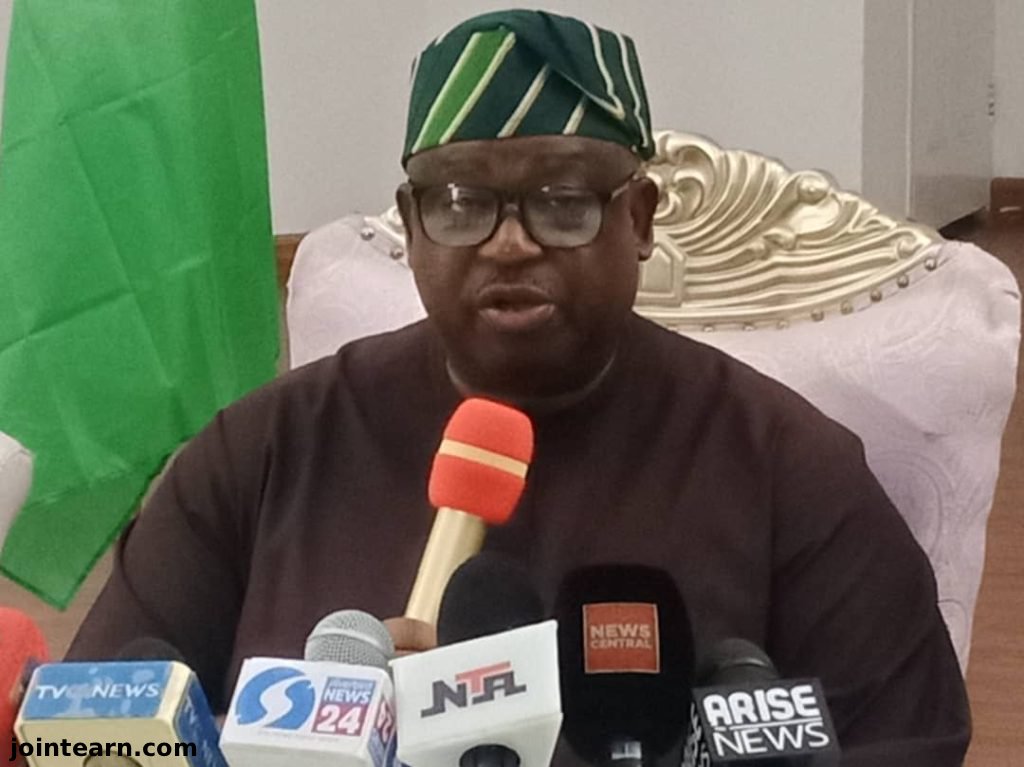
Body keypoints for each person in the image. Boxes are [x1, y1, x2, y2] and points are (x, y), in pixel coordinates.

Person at [68, 9, 970, 765]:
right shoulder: (262, 451)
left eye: (563, 201)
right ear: (412, 224)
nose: (509, 242)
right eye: (460, 202)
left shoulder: (789, 467)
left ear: (640, 218)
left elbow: (910, 741)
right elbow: (86, 728)